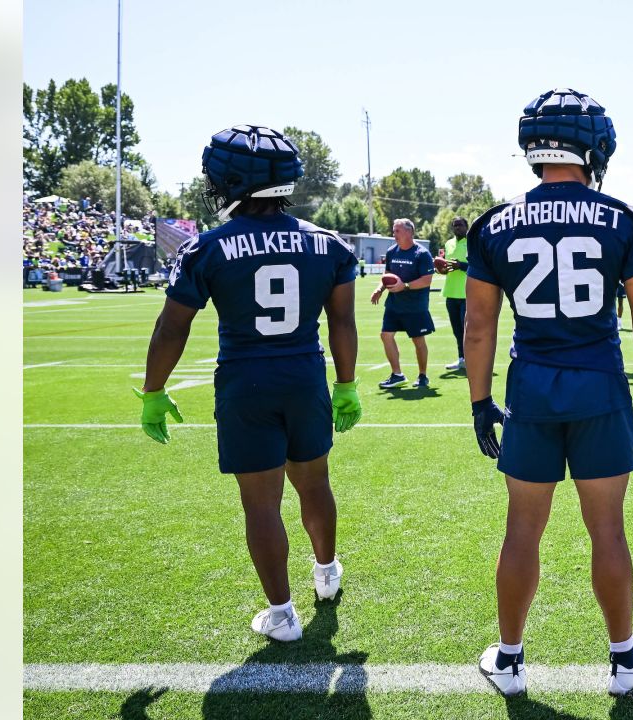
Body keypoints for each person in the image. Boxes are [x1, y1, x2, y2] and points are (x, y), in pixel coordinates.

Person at [464, 88, 633, 697]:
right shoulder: (623, 218)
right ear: (593, 146)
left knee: (521, 530)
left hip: (530, 385)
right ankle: (624, 661)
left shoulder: (493, 223)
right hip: (599, 386)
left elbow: (478, 326)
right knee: (607, 529)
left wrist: (479, 401)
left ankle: (508, 661)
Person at [134, 124, 363, 643]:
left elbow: (173, 326)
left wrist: (153, 390)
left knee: (261, 504)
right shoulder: (328, 245)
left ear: (234, 182)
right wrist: (346, 384)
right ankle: (326, 572)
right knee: (315, 482)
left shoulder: (207, 248)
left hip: (245, 381)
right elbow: (343, 323)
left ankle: (281, 614)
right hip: (305, 375)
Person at [371, 218, 435, 389]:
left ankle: (423, 376)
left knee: (418, 340)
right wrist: (380, 289)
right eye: (394, 230)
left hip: (415, 306)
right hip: (393, 304)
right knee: (386, 335)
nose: (394, 234)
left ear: (409, 232)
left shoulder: (422, 254)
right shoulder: (392, 251)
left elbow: (427, 280)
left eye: (397, 231)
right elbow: (387, 275)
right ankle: (397, 374)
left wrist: (404, 286)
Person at [435, 216, 470, 370]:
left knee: (467, 330)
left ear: (466, 227)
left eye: (460, 225)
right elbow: (447, 267)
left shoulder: (473, 243)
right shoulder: (448, 244)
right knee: (456, 329)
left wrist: (461, 265)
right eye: (455, 226)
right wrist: (441, 269)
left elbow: (478, 266)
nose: (457, 228)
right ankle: (461, 359)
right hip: (450, 292)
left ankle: (472, 359)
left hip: (466, 294)